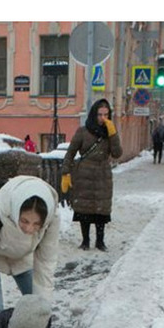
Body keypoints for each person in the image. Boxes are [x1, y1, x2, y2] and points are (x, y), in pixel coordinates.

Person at [0, 175, 59, 313]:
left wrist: (42, 316)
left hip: (22, 255)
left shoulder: (52, 218)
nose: (29, 229)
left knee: (37, 307)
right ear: (16, 211)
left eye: (36, 224)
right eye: (24, 221)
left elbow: (45, 264)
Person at [60, 98, 122, 252]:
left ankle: (100, 242)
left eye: (106, 115)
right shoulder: (83, 131)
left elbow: (117, 154)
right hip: (84, 173)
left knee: (101, 210)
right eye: (100, 114)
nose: (103, 118)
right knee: (85, 209)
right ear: (94, 114)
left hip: (102, 174)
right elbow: (70, 152)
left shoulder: (110, 132)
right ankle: (85, 241)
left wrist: (113, 134)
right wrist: (65, 172)